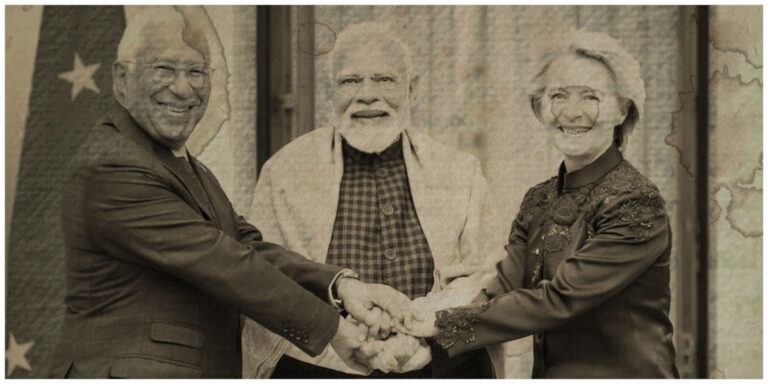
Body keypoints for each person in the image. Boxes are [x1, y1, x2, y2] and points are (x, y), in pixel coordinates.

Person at [49, 8, 413, 378]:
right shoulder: (113, 167)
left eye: (196, 72)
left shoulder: (177, 162)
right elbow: (226, 264)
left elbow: (245, 247)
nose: (183, 88)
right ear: (122, 79)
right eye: (163, 69)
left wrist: (342, 287)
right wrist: (333, 328)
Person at [408, 30, 679, 378]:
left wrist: (442, 324)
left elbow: (560, 300)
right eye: (558, 96)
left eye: (591, 97)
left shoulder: (637, 201)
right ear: (540, 108)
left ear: (622, 109)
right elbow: (504, 284)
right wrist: (421, 315)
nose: (572, 112)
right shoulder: (538, 199)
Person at [241, 21, 502, 378]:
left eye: (384, 80)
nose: (367, 95)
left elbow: (485, 276)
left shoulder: (459, 171)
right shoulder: (284, 171)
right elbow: (268, 282)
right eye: (351, 81)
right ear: (330, 91)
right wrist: (343, 340)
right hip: (318, 366)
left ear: (412, 89)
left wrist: (423, 329)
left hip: (439, 364)